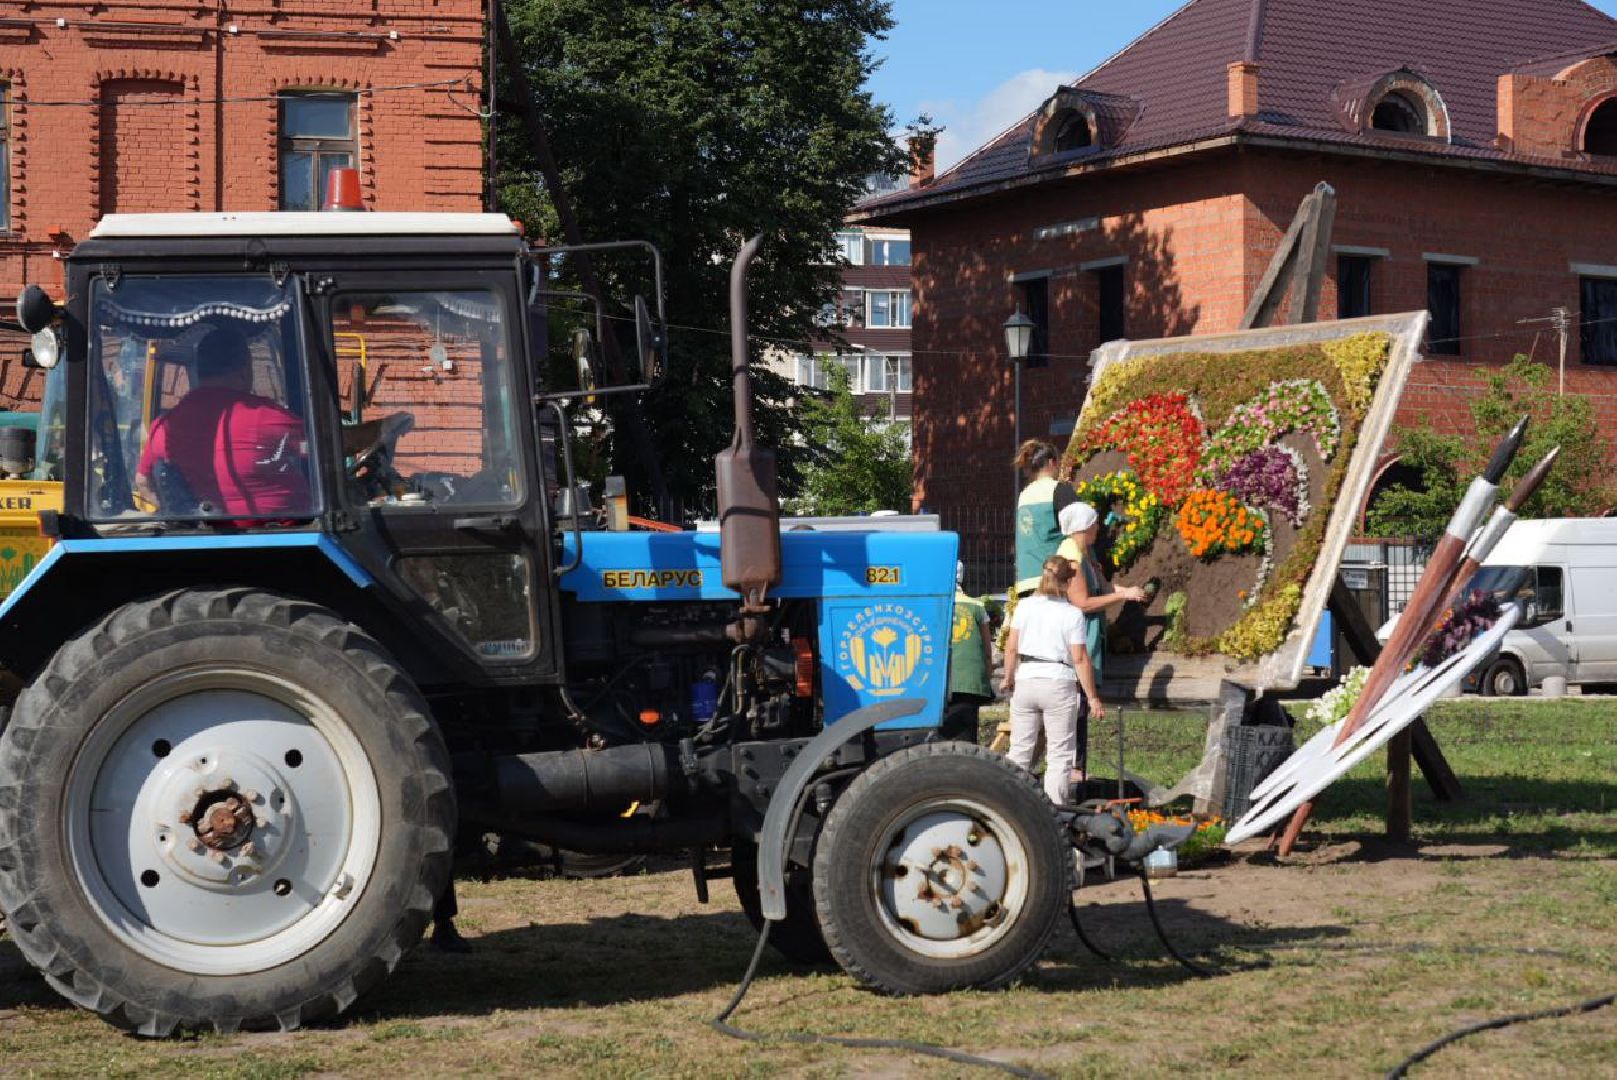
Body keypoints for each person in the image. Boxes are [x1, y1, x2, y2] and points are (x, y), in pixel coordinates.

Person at [135, 324, 311, 517]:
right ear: (245, 370)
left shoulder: (164, 426)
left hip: (199, 540)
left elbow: (143, 480)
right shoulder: (267, 418)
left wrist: (184, 520)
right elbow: (318, 452)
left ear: (199, 371)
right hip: (282, 536)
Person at [1055, 501, 1148, 778]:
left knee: (1081, 702)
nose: (1098, 527)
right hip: (1076, 640)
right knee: (1078, 705)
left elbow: (1103, 587)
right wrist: (1121, 597)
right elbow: (1082, 602)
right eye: (1094, 523)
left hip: (1088, 637)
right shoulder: (1071, 559)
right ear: (1084, 527)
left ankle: (1077, 765)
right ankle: (1074, 767)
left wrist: (1128, 591)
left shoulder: (1085, 553)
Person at [1002, 556, 1104, 804]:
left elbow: (1011, 647)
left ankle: (1010, 804)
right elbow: (1080, 658)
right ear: (1069, 581)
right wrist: (1092, 697)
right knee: (1059, 755)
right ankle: (1056, 810)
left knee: (1020, 750)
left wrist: (1008, 677)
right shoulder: (1072, 614)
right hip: (1058, 681)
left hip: (1026, 677)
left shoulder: (1024, 607)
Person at [1012, 440, 1080, 600]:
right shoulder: (1059, 490)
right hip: (1052, 581)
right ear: (1052, 462)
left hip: (1026, 582)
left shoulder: (1024, 495)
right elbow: (1079, 531)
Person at [941, 561, 994, 743]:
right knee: (968, 733)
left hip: (940, 680)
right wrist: (987, 675)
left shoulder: (937, 605)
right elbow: (988, 649)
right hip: (971, 679)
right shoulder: (977, 606)